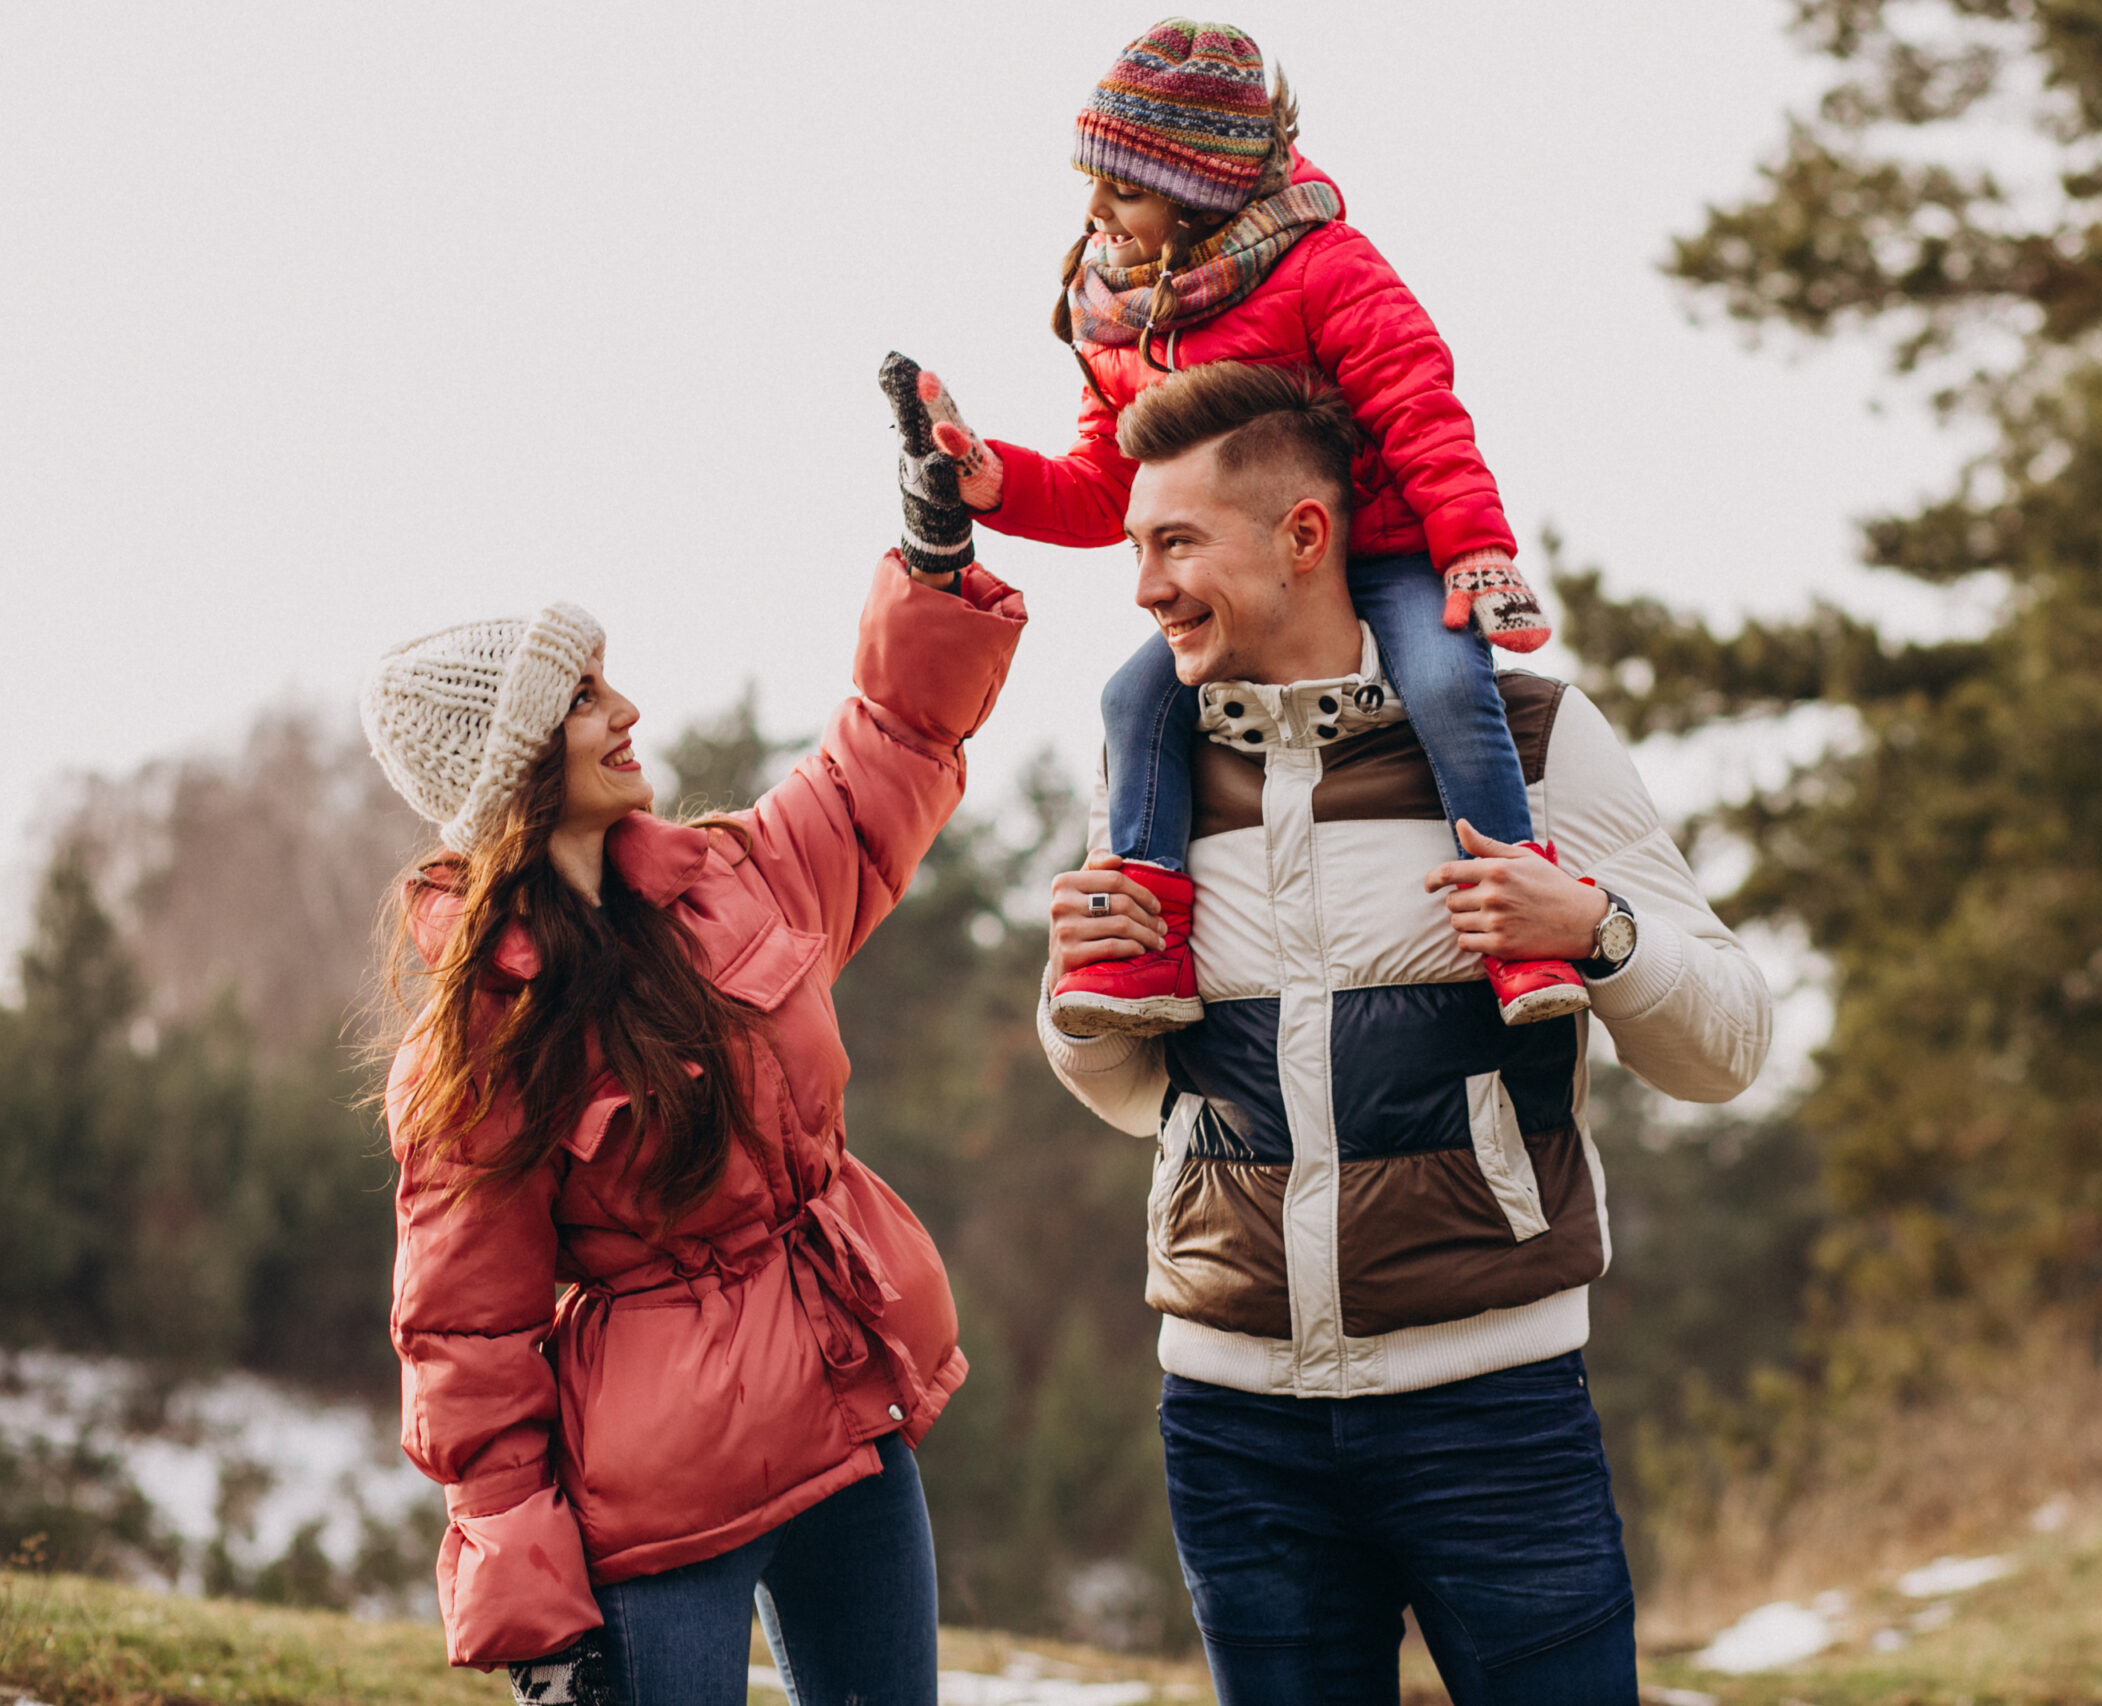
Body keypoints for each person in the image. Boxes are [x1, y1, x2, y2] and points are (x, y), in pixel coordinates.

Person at [1035, 360, 1773, 1705]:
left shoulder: (1532, 739)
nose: (1144, 585)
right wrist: (1074, 994)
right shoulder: (1146, 770)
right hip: (1233, 1420)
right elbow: (1145, 1091)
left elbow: (1725, 1046)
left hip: (1491, 1409)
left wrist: (1593, 924)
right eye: (1138, 546)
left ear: (1305, 536)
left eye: (1176, 542)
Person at [363, 452, 1020, 1706]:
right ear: (516, 767)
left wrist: (934, 562)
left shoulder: (733, 880)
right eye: (586, 695)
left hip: (852, 1426)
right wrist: (539, 1622)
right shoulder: (482, 1045)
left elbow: (886, 749)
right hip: (662, 1512)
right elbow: (469, 1343)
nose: (627, 712)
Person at [881, 15, 1586, 1042]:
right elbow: (1101, 486)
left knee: (1442, 680)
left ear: (1200, 187)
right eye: (1093, 180)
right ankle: (1150, 930)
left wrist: (1476, 548)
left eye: (1121, 187)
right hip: (1248, 579)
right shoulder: (1117, 311)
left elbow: (1418, 405)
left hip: (1380, 545)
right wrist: (990, 482)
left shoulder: (1323, 268)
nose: (1095, 208)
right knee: (1133, 698)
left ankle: (1523, 913)